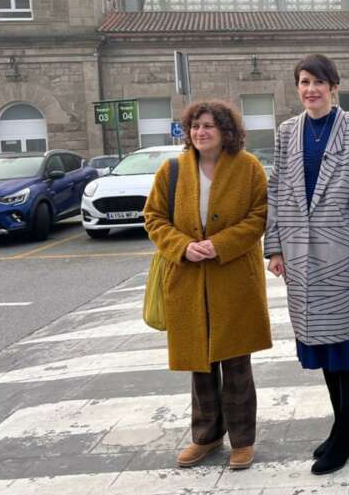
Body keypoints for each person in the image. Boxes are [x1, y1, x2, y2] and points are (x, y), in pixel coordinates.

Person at [264, 54, 349, 475]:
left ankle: (347, 433)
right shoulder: (286, 132)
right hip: (298, 255)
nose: (310, 89)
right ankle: (345, 432)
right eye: (303, 82)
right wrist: (274, 246)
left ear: (334, 86)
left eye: (318, 81)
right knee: (320, 345)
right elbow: (276, 190)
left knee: (344, 346)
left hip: (342, 256)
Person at [143, 99, 271, 471]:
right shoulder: (172, 170)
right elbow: (152, 218)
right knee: (199, 362)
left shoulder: (248, 168)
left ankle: (242, 440)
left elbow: (260, 214)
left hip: (234, 278)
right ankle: (206, 435)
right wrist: (183, 246)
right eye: (196, 126)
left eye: (209, 126)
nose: (201, 132)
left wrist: (220, 244)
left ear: (226, 132)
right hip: (188, 278)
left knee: (235, 363)